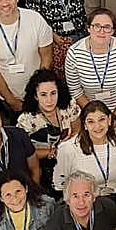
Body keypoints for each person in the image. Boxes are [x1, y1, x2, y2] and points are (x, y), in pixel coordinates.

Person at [64, 8, 116, 130]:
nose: (101, 31)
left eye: (107, 27)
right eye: (97, 26)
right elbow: (75, 90)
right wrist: (96, 117)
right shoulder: (74, 53)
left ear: (113, 31)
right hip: (90, 113)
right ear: (88, 28)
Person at [53, 101, 116, 202]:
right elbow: (60, 183)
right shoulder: (68, 149)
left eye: (101, 120)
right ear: (84, 124)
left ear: (109, 120)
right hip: (88, 201)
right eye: (91, 121)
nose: (97, 126)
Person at [16, 68, 78, 196]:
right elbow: (22, 151)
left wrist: (69, 147)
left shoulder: (69, 105)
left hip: (70, 158)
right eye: (43, 94)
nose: (49, 100)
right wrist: (51, 153)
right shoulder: (26, 120)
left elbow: (77, 128)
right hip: (41, 165)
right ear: (35, 96)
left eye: (53, 93)